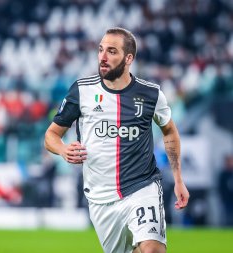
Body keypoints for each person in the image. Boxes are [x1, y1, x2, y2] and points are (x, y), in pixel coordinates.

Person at [44, 27, 189, 253]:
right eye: (101, 50)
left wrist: (178, 179)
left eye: (112, 51)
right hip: (101, 198)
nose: (103, 57)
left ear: (128, 58)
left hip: (143, 186)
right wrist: (63, 150)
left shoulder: (151, 95)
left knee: (152, 249)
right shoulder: (82, 91)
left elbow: (169, 130)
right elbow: (51, 135)